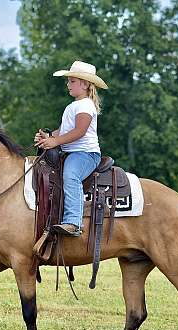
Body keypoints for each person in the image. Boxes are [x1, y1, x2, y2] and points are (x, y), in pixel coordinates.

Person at [34, 60, 108, 236]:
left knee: (71, 175)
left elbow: (79, 131)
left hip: (85, 154)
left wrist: (55, 142)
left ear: (84, 84)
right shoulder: (73, 106)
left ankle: (74, 222)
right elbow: (63, 131)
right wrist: (49, 137)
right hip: (72, 152)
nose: (68, 84)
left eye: (72, 81)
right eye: (69, 81)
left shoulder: (85, 105)